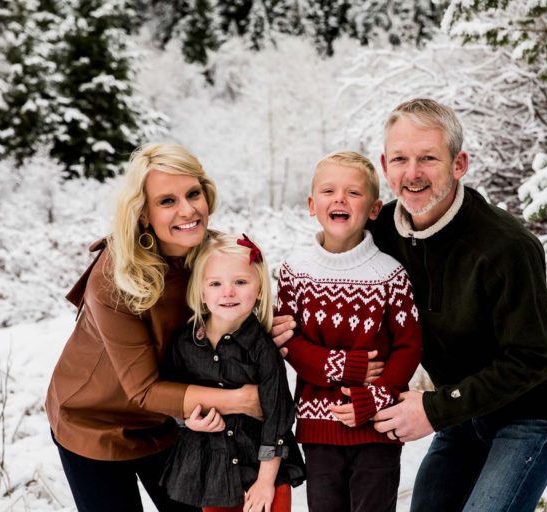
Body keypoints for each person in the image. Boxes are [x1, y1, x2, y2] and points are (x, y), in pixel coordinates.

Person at [365, 98, 547, 512]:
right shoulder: (380, 233)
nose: (412, 174)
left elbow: (531, 358)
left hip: (534, 409)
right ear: (384, 165)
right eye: (400, 159)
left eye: (428, 158)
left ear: (459, 164)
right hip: (464, 405)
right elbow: (333, 263)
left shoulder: (505, 247)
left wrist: (434, 409)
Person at [46, 143, 262, 512]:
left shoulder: (216, 255)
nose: (188, 210)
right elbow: (142, 389)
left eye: (193, 194)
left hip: (168, 420)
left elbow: (245, 312)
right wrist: (241, 400)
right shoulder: (117, 276)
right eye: (167, 201)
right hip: (94, 423)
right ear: (144, 213)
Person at [276, 151, 423, 512]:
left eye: (353, 193)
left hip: (378, 425)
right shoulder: (294, 273)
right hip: (318, 427)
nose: (340, 199)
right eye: (328, 191)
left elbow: (409, 346)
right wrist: (343, 367)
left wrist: (377, 396)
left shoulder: (390, 274)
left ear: (374, 209)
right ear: (312, 204)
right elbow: (289, 343)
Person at [159, 233, 305, 512]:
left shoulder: (262, 349)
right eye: (215, 283)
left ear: (260, 288)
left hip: (263, 474)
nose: (228, 292)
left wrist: (265, 482)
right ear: (201, 291)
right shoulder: (184, 344)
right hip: (211, 473)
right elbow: (171, 395)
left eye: (240, 282)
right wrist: (187, 421)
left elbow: (278, 418)